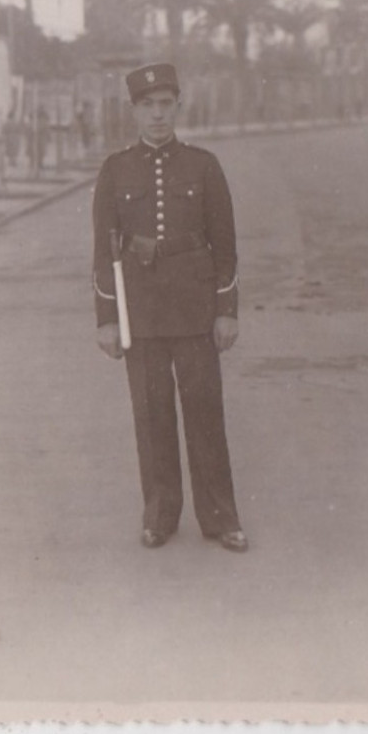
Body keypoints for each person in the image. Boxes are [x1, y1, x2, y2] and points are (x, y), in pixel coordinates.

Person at [92, 62, 248, 553]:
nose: (157, 115)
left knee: (204, 411)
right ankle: (160, 515)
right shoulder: (116, 170)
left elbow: (225, 245)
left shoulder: (204, 166)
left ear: (178, 106)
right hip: (141, 314)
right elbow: (103, 250)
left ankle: (221, 518)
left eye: (165, 104)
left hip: (195, 309)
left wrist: (226, 309)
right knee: (152, 413)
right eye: (146, 105)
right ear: (133, 111)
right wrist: (107, 320)